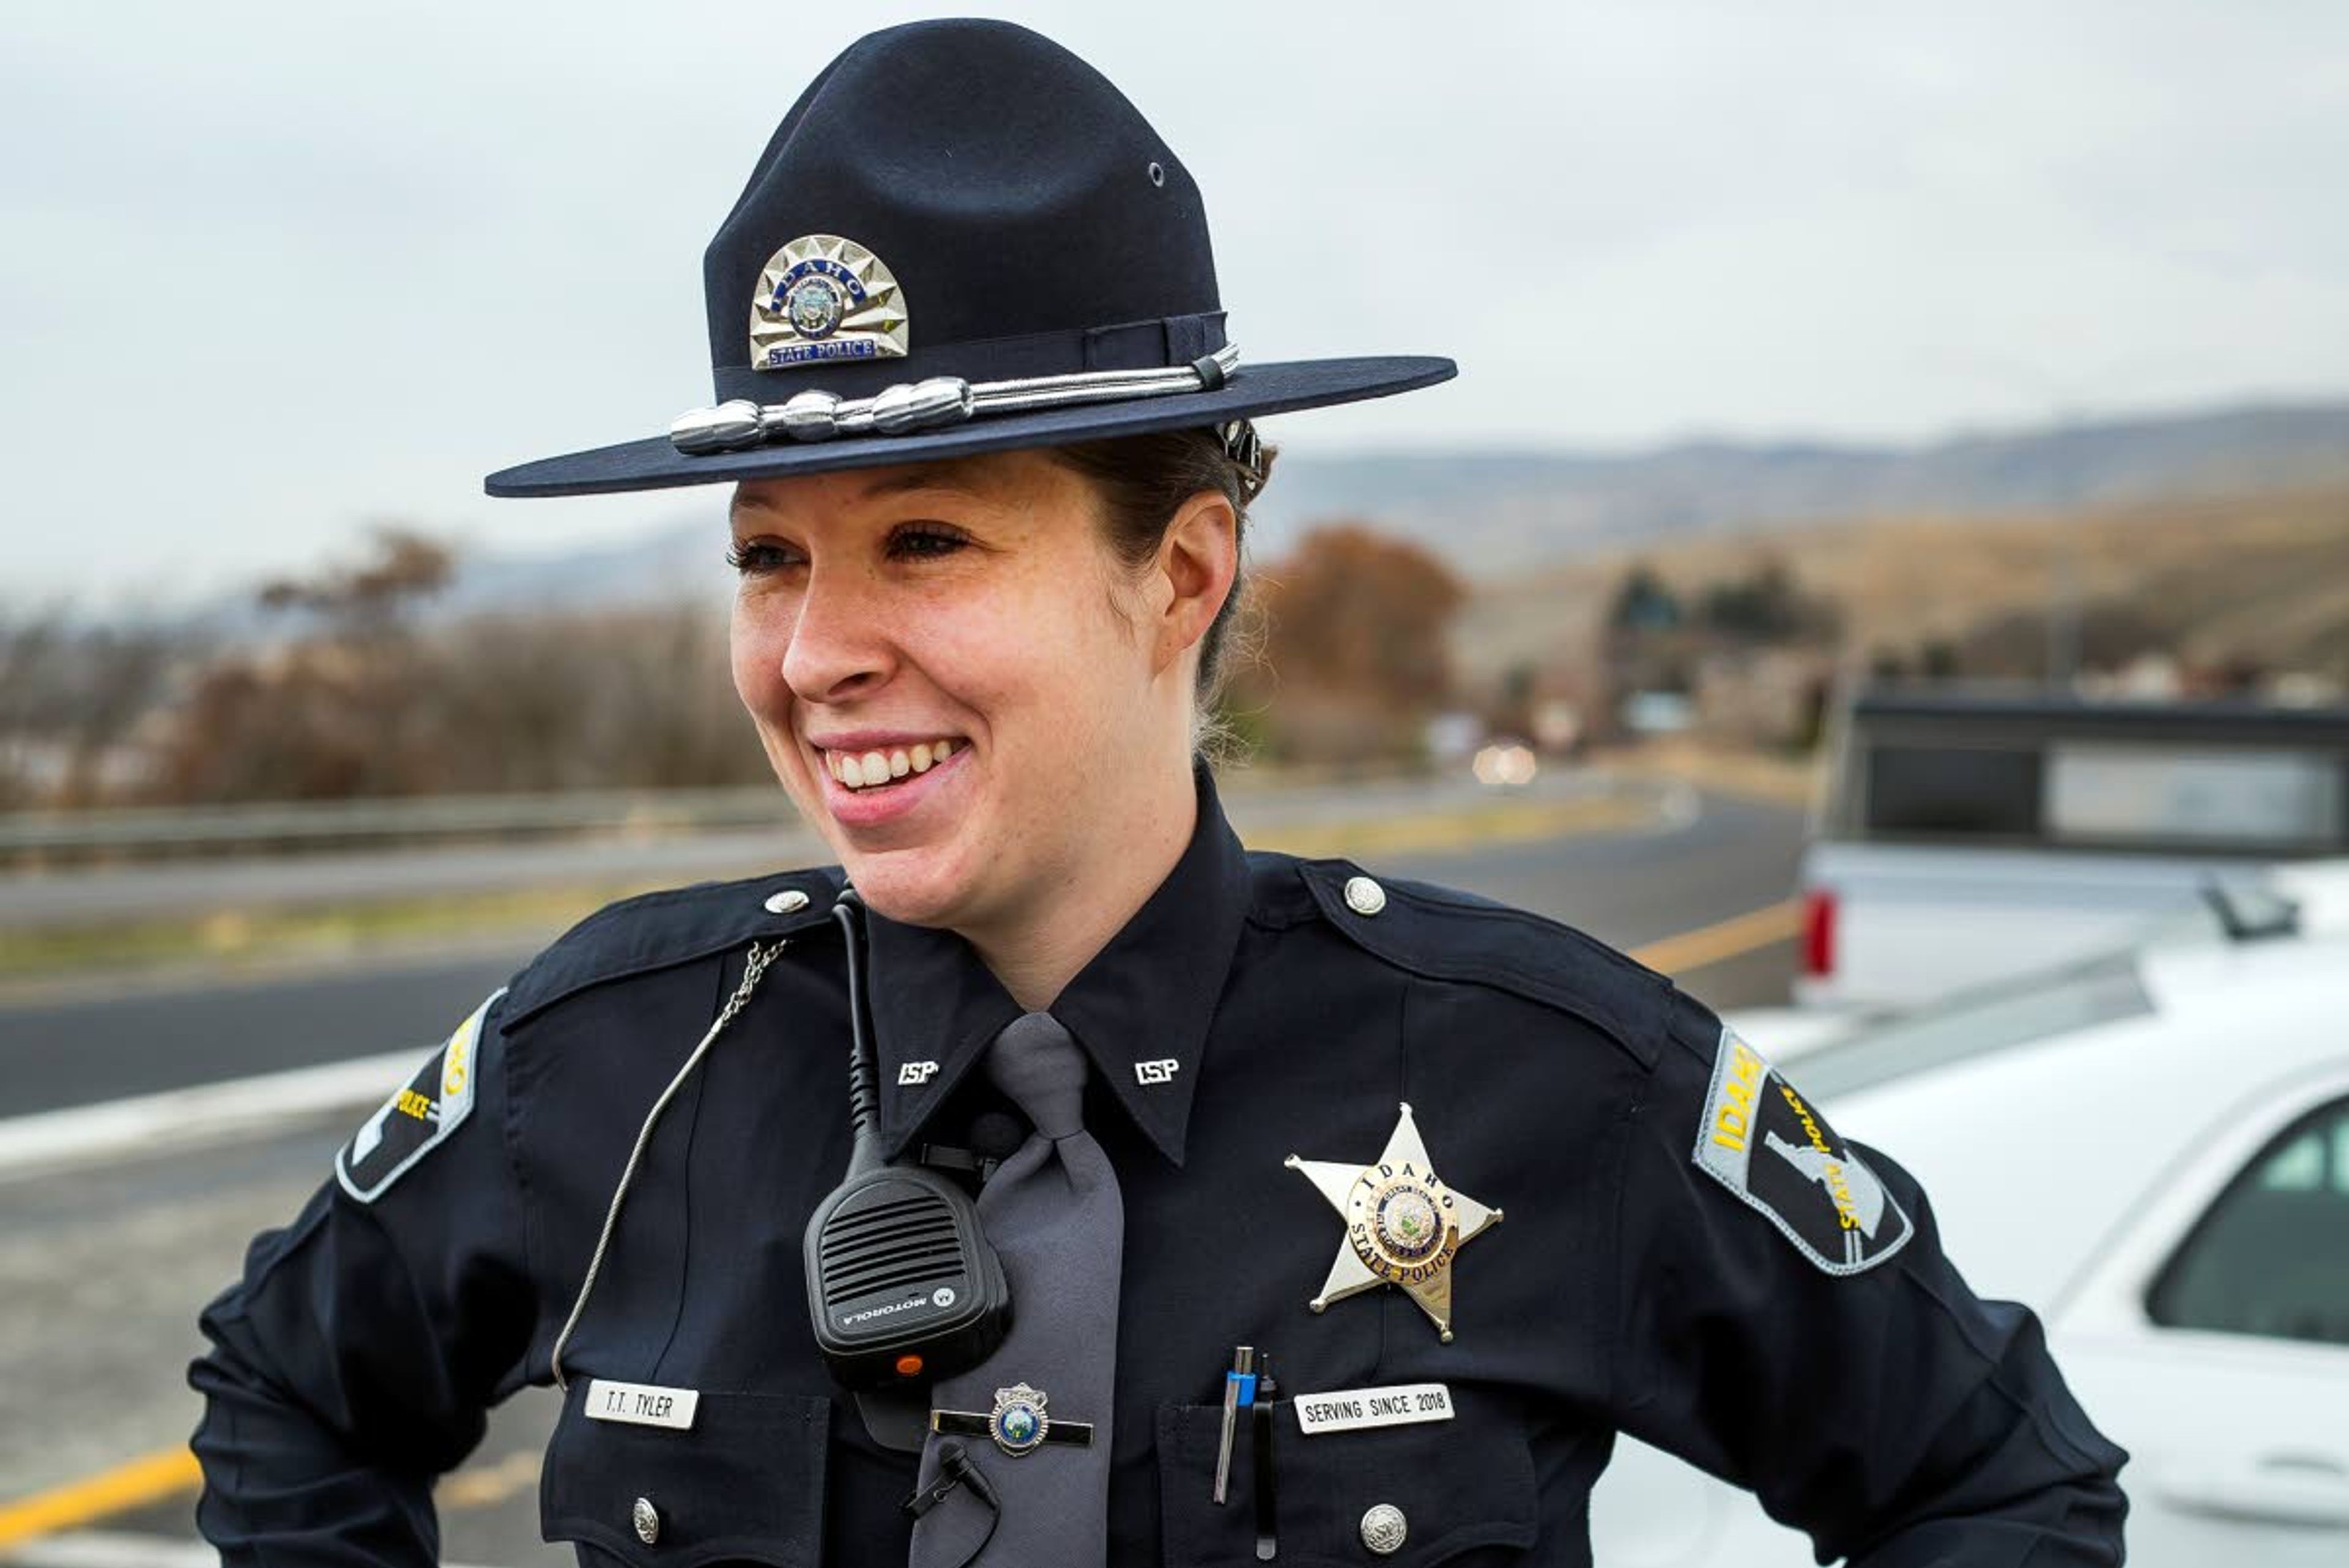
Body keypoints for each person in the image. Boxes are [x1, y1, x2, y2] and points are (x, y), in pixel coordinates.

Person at [189, 18, 2127, 1567]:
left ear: (1180, 576)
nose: (813, 651)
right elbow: (289, 1397)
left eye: (927, 540)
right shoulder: (604, 1065)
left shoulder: (1558, 1077)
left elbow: (1999, 1483)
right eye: (769, 556)